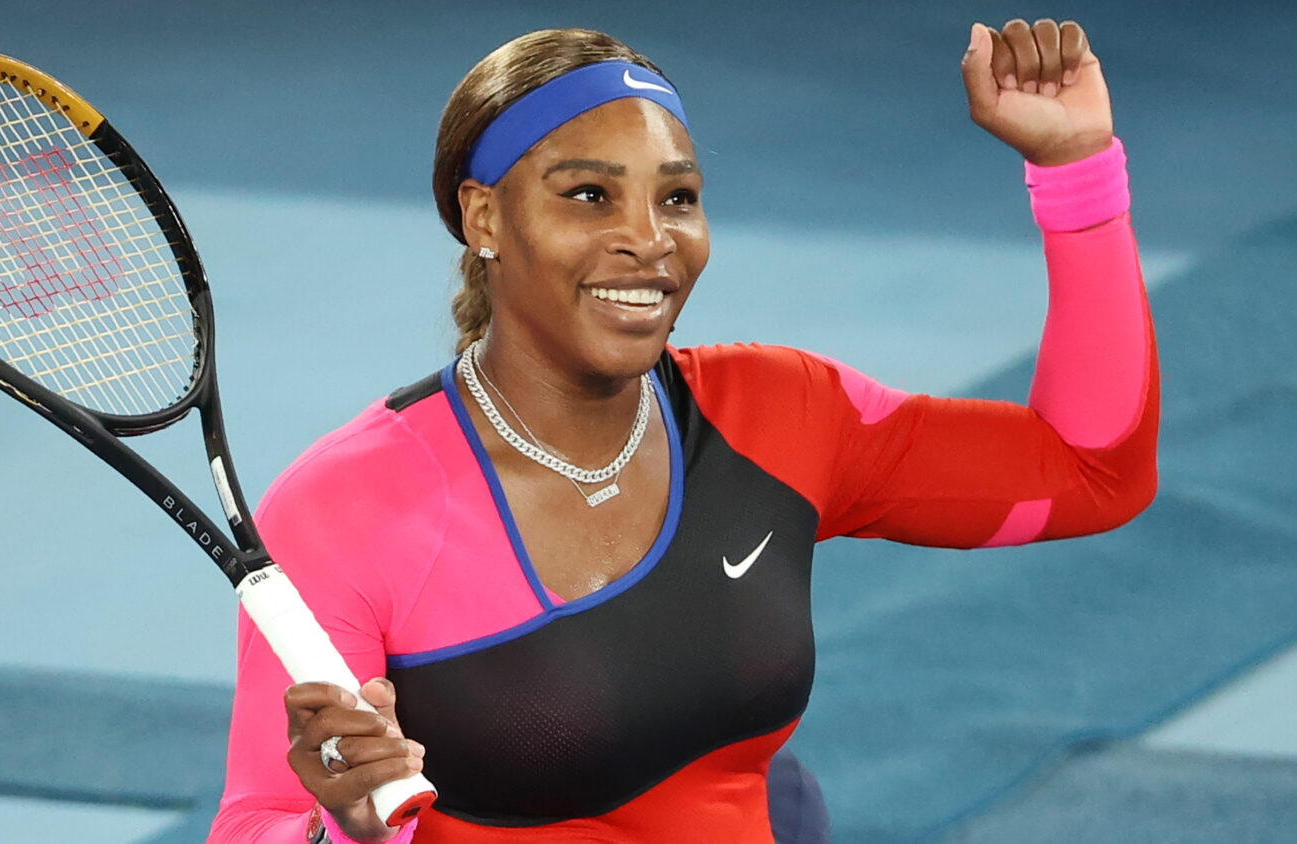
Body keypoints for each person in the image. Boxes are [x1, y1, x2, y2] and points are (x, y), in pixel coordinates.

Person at [209, 19, 1157, 844]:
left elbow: (1090, 471)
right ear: (484, 216)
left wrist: (1075, 168)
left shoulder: (780, 413)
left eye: (677, 197)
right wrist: (345, 829)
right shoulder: (347, 510)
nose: (650, 238)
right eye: (589, 195)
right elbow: (256, 820)